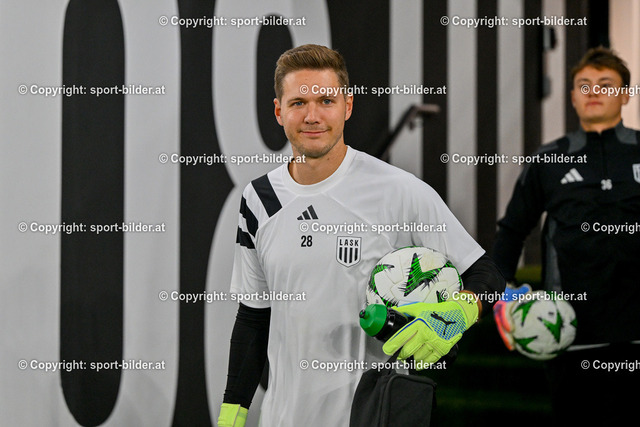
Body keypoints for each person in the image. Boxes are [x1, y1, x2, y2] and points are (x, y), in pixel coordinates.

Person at [218, 44, 505, 427]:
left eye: (326, 100)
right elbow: (254, 318)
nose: (312, 116)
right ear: (278, 111)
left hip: (374, 416)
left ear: (348, 106)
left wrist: (454, 315)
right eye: (298, 102)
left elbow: (487, 274)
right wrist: (232, 414)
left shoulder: (398, 191)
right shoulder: (258, 199)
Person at [492, 47, 640, 426]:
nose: (593, 91)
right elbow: (511, 231)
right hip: (570, 334)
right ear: (573, 96)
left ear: (625, 95)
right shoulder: (548, 159)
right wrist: (501, 294)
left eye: (605, 84)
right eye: (584, 85)